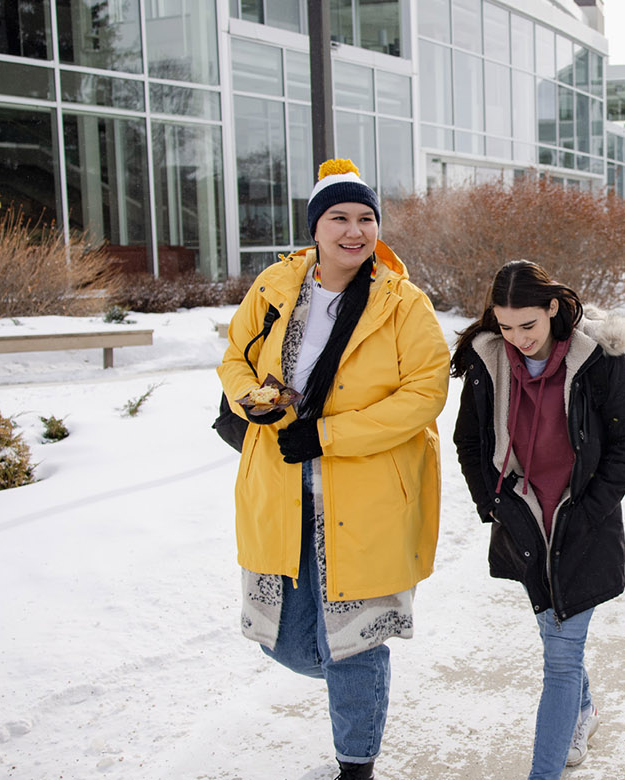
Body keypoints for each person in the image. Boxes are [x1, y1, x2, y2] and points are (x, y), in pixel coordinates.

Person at [217, 159, 450, 779]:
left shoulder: (403, 303)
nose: (355, 231)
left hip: (369, 494)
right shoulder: (275, 286)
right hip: (282, 487)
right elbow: (234, 360)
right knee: (290, 641)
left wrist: (326, 436)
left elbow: (424, 393)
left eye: (366, 218)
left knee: (355, 643)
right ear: (315, 230)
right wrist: (255, 402)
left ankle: (356, 762)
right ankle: (353, 676)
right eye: (340, 218)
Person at [451, 260, 625, 779]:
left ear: (553, 309)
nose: (517, 338)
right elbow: (469, 441)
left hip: (581, 523)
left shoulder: (597, 360)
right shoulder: (489, 362)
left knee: (559, 660)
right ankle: (582, 713)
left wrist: (589, 512)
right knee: (556, 635)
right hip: (524, 523)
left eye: (528, 325)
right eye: (505, 325)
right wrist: (490, 504)